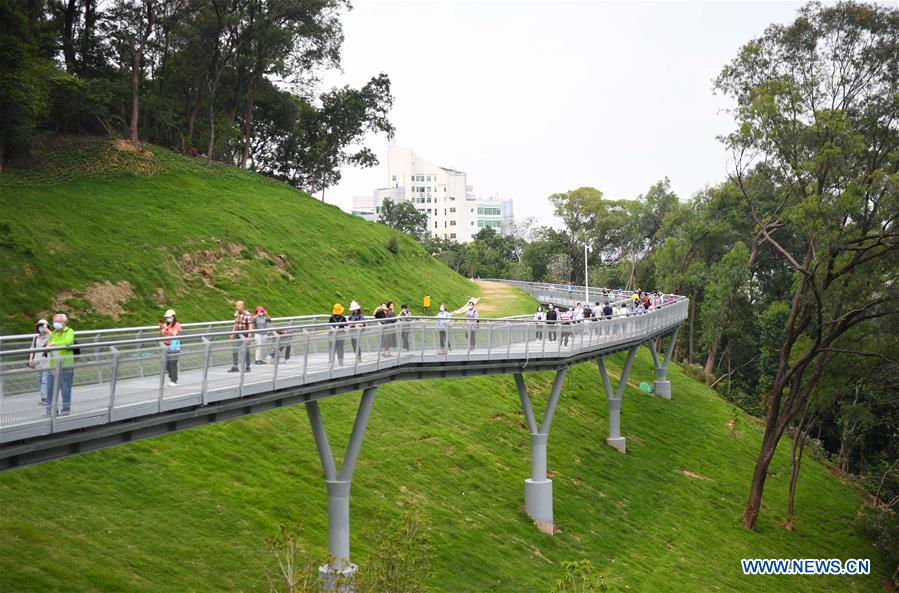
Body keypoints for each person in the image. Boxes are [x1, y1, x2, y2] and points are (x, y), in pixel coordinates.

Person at [45, 313, 75, 416]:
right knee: (50, 390)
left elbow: (68, 342)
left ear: (64, 322)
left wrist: (54, 344)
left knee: (65, 389)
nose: (56, 323)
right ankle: (50, 410)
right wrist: (48, 347)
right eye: (55, 321)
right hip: (53, 365)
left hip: (65, 365)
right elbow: (48, 345)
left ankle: (66, 409)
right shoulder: (52, 333)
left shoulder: (69, 331)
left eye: (59, 321)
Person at [28, 319, 51, 405]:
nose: (41, 328)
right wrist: (30, 359)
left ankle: (45, 398)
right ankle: (43, 396)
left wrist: (47, 329)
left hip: (46, 361)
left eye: (43, 326)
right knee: (39, 380)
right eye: (40, 326)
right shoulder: (35, 337)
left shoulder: (50, 336)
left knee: (45, 379)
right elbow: (32, 348)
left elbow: (55, 336)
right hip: (37, 361)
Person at [159, 309, 182, 386]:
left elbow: (174, 333)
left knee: (173, 363)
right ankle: (172, 377)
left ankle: (174, 380)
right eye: (166, 317)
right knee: (166, 364)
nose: (167, 318)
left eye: (169, 317)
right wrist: (162, 328)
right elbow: (163, 333)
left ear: (173, 316)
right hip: (166, 345)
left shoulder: (177, 324)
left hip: (174, 346)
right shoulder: (167, 324)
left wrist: (167, 328)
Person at [229, 300, 253, 373]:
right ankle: (235, 366)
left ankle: (248, 366)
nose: (237, 307)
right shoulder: (237, 313)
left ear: (243, 306)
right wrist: (233, 333)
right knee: (235, 349)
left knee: (246, 350)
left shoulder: (247, 314)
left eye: (238, 306)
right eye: (236, 305)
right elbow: (236, 323)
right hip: (237, 333)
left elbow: (250, 325)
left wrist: (249, 336)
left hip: (245, 334)